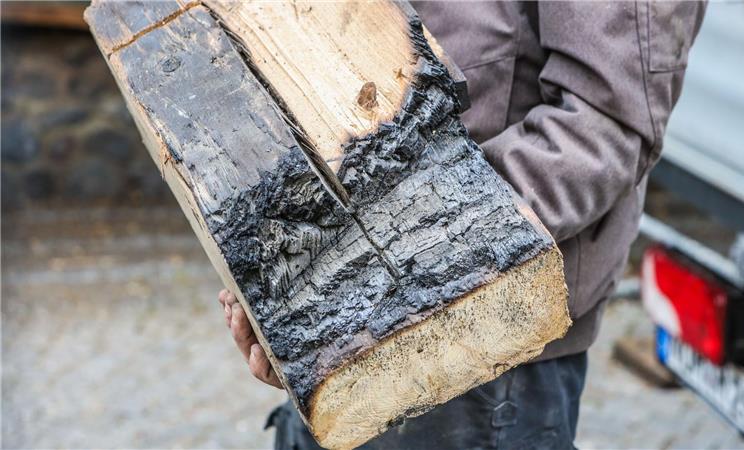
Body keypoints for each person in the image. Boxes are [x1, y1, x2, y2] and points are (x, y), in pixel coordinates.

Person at [217, 2, 707, 448]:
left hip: (481, 359)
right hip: (348, 329)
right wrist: (286, 282)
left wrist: (351, 279)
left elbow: (601, 126)